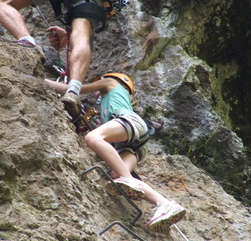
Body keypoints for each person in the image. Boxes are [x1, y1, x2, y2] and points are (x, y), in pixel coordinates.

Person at [45, 72, 186, 232]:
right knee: (117, 175)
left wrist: (42, 80)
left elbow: (72, 89)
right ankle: (165, 204)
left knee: (93, 138)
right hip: (138, 143)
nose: (96, 94)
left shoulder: (111, 82)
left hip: (131, 123)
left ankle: (129, 179)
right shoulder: (108, 108)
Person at [0, 0, 106, 119]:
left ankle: (27, 42)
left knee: (0, 3)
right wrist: (67, 35)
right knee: (81, 37)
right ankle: (73, 92)